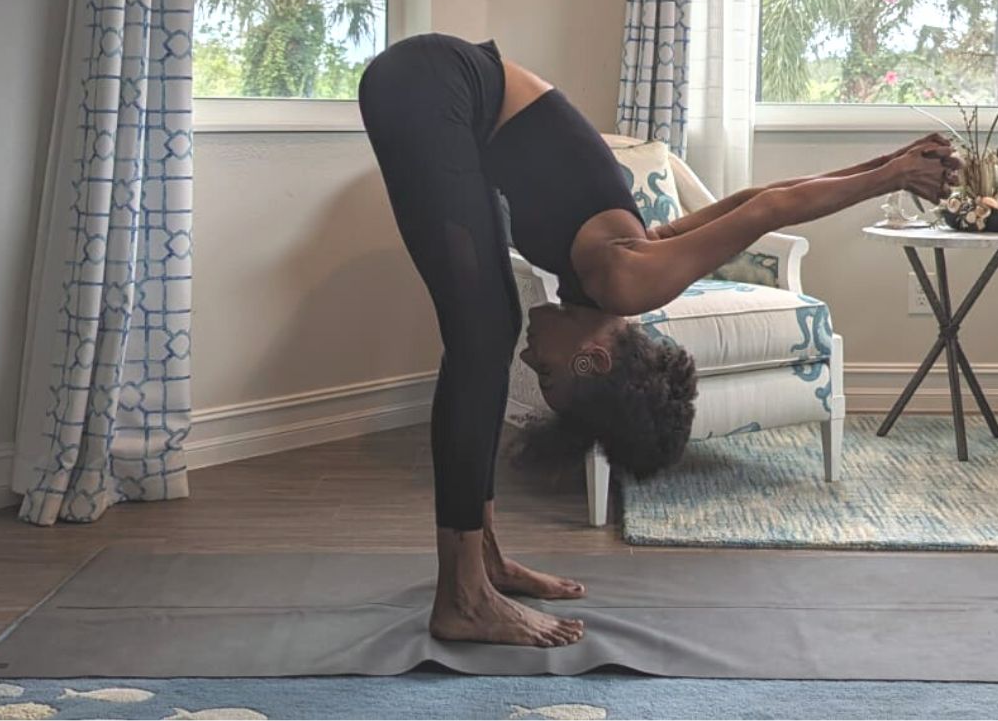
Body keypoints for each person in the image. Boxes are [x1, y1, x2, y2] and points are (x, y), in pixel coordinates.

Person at [357, 33, 960, 649]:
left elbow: (749, 198)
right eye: (549, 374)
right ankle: (462, 599)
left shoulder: (620, 257)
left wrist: (890, 164)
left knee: (487, 334)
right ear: (591, 359)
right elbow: (766, 210)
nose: (533, 358)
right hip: (433, 85)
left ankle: (482, 564)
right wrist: (892, 175)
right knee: (482, 342)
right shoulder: (627, 280)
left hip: (437, 85)